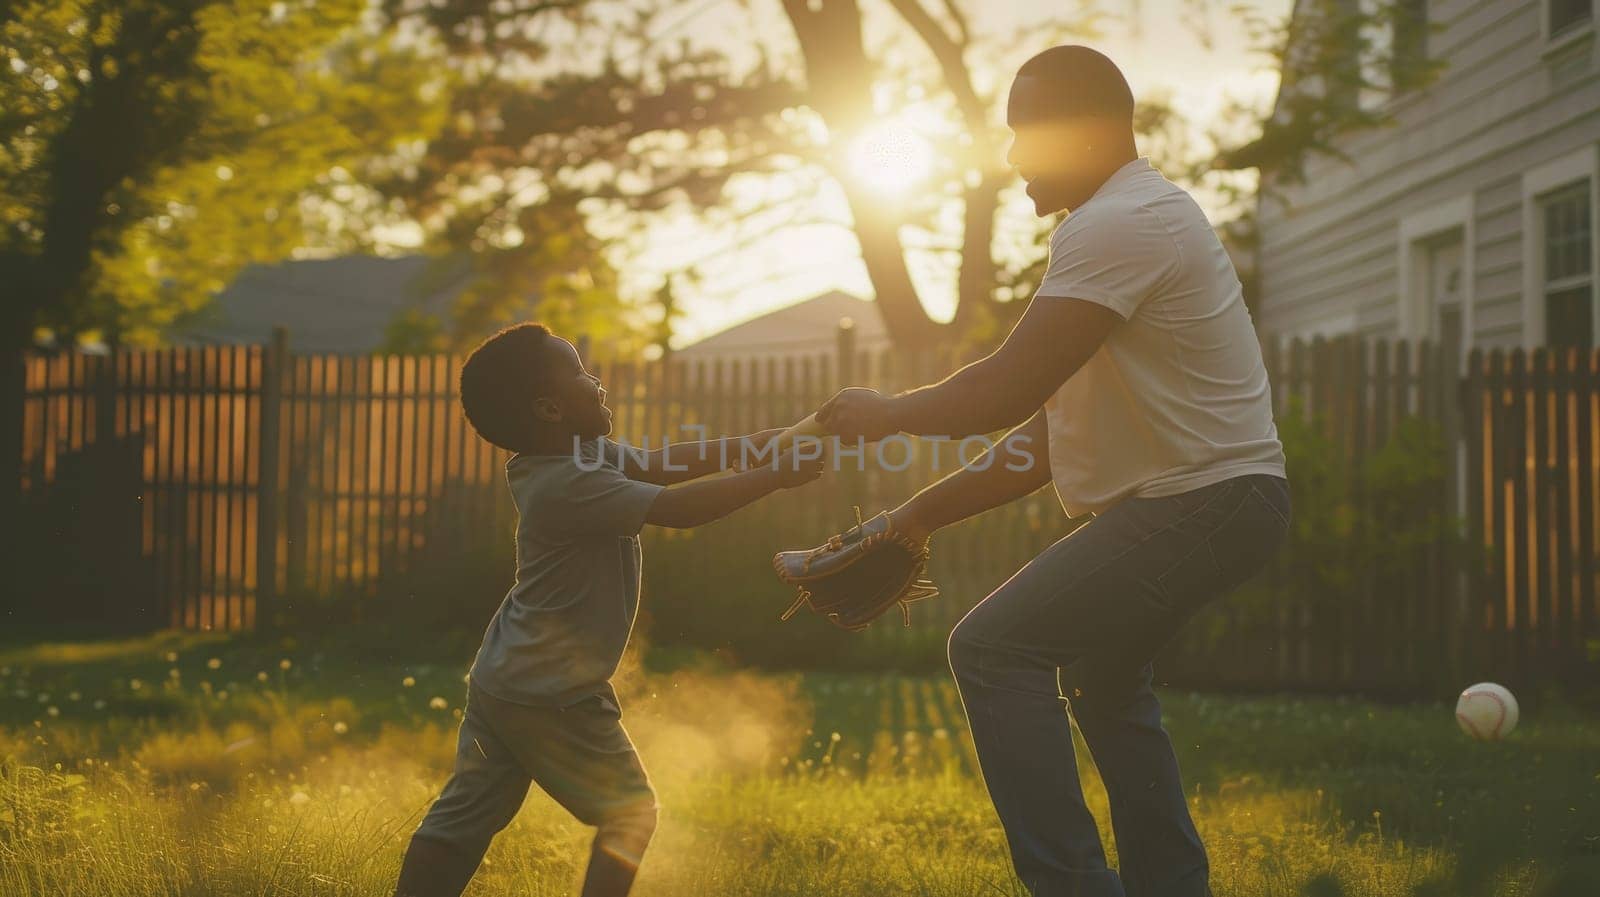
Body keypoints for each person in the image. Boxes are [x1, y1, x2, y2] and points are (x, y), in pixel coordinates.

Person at [817, 46, 1290, 897]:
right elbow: (1044, 437)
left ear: (1086, 135)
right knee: (1106, 679)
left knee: (994, 647)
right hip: (1217, 500)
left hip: (1209, 498)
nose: (1009, 157)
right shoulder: (1117, 224)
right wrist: (917, 515)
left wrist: (886, 410)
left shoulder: (1122, 224)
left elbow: (1004, 389)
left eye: (1024, 133)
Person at [392, 323, 822, 897]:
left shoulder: (579, 454)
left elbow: (660, 463)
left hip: (505, 679)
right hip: (552, 691)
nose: (595, 380)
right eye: (578, 371)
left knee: (463, 821)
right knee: (630, 813)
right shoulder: (565, 482)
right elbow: (678, 507)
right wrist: (772, 475)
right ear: (549, 407)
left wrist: (758, 444)